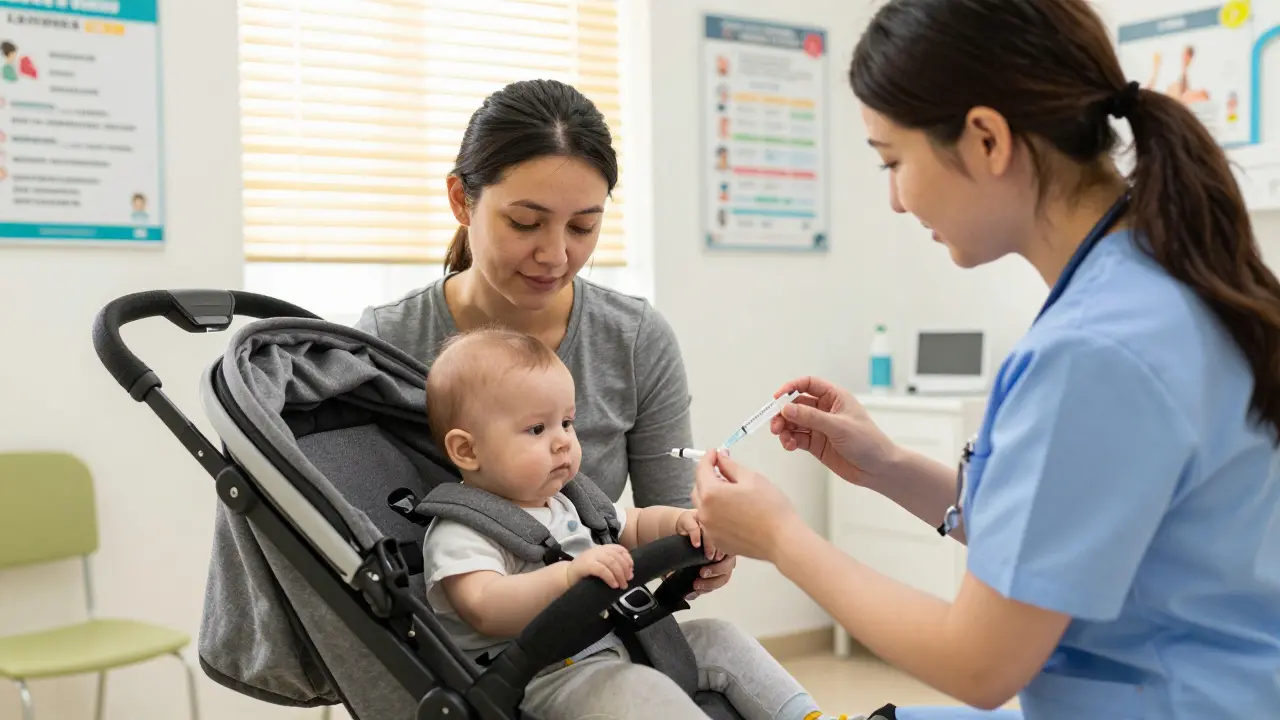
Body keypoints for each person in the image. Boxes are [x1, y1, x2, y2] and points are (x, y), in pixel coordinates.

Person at [691, 1, 1280, 718]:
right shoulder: (1159, 280)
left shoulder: (1093, 351)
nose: (897, 202)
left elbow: (977, 663)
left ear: (986, 140)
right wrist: (887, 466)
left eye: (893, 162)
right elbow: (1067, 531)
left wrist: (779, 538)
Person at [353, 79, 736, 597]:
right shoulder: (384, 343)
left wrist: (698, 552)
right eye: (525, 222)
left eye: (582, 228)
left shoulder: (634, 339)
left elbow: (666, 520)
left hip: (590, 631)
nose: (555, 255)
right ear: (461, 201)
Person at [420, 327, 853, 720]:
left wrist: (683, 522)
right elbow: (483, 606)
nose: (562, 442)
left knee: (719, 639)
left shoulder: (569, 501)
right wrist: (568, 576)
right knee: (639, 690)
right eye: (536, 429)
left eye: (567, 423)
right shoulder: (462, 530)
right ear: (467, 451)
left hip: (621, 640)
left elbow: (637, 523)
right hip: (548, 674)